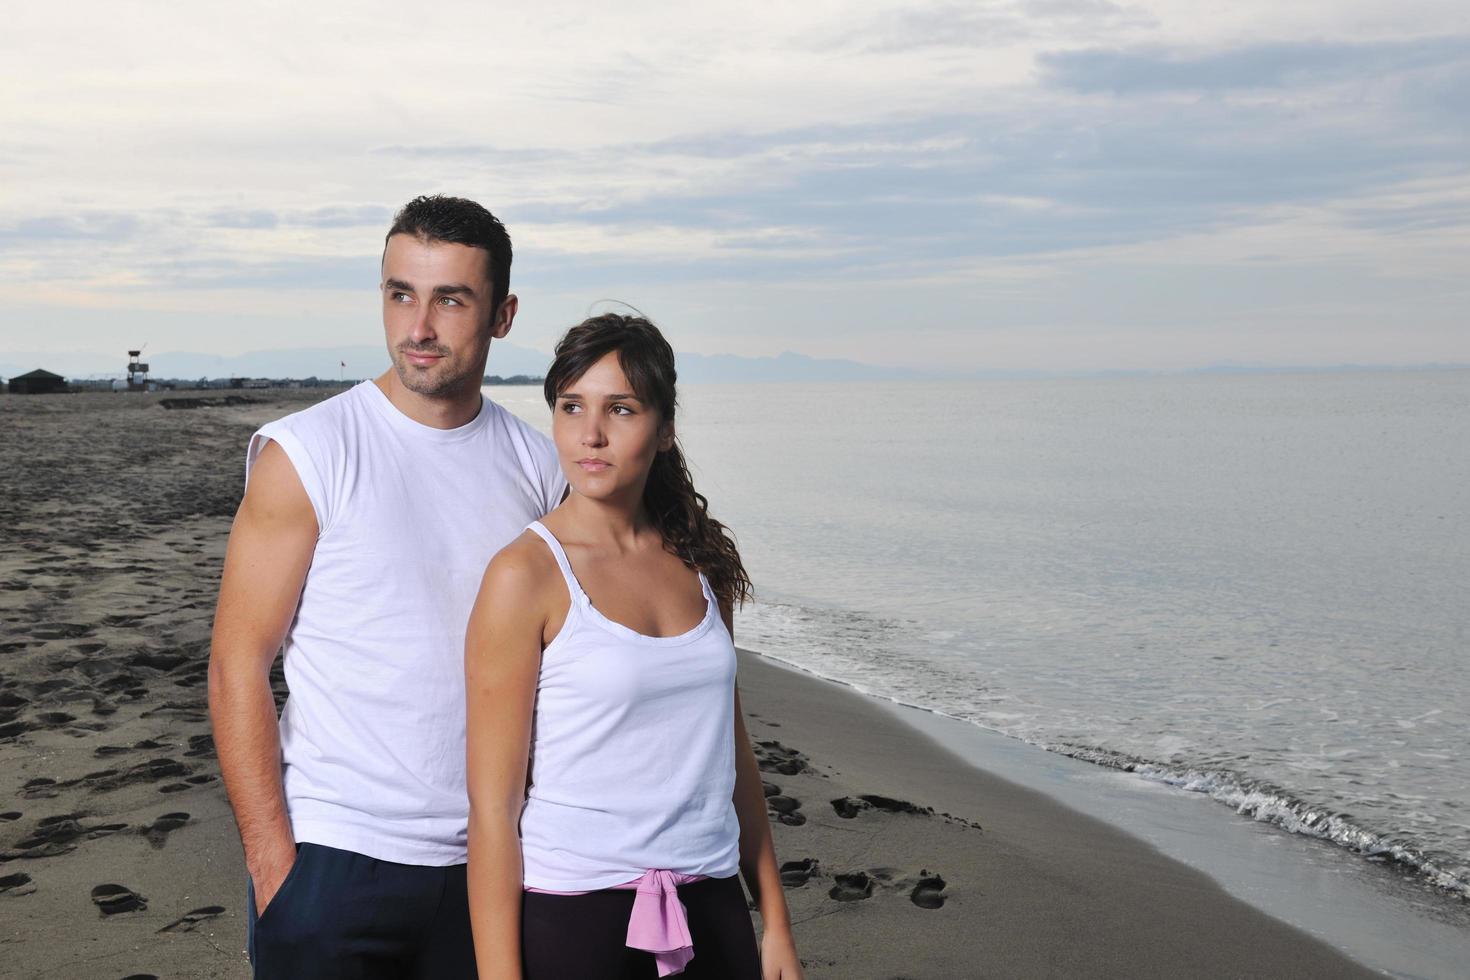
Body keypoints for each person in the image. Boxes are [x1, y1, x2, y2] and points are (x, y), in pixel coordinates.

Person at [208, 195, 566, 979]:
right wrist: (276, 869)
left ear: (502, 315)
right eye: (400, 293)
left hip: (493, 858)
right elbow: (238, 662)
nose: (419, 326)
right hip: (336, 858)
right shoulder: (308, 452)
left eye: (450, 299)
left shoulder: (541, 469)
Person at [464, 314, 804, 979]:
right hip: (576, 919)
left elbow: (731, 755)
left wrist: (776, 923)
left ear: (666, 427)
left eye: (620, 409)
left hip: (712, 905)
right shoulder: (525, 575)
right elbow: (493, 811)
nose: (590, 434)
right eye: (571, 407)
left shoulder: (703, 565)